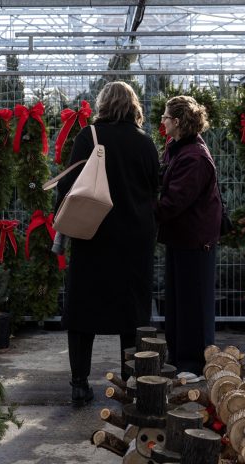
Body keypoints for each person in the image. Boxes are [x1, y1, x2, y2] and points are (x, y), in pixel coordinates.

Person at [55, 82, 159, 406]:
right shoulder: (145, 142)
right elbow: (155, 188)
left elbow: (68, 186)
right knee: (132, 313)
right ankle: (131, 383)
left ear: (103, 104)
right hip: (135, 240)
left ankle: (79, 384)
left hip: (93, 235)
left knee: (83, 311)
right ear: (133, 105)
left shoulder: (88, 137)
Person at [155, 95, 221, 376]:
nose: (162, 121)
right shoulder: (179, 148)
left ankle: (193, 363)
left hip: (194, 239)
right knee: (179, 301)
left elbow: (174, 202)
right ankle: (179, 356)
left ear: (178, 121)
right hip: (182, 237)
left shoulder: (194, 157)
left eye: (166, 117)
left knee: (192, 303)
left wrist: (142, 209)